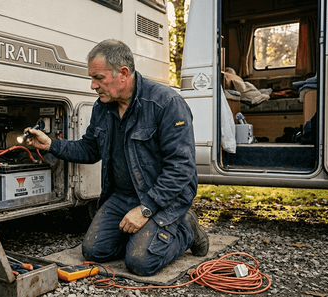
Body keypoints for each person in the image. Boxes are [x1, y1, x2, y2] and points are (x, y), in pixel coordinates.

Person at [25, 39, 209, 276]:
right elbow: (90, 149)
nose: (93, 85)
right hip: (122, 196)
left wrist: (145, 210)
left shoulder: (166, 103)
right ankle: (147, 237)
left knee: (140, 263)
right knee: (93, 251)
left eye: (98, 78)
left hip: (162, 198)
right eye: (91, 78)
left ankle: (186, 228)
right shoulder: (102, 107)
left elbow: (181, 168)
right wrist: (51, 144)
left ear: (123, 73)